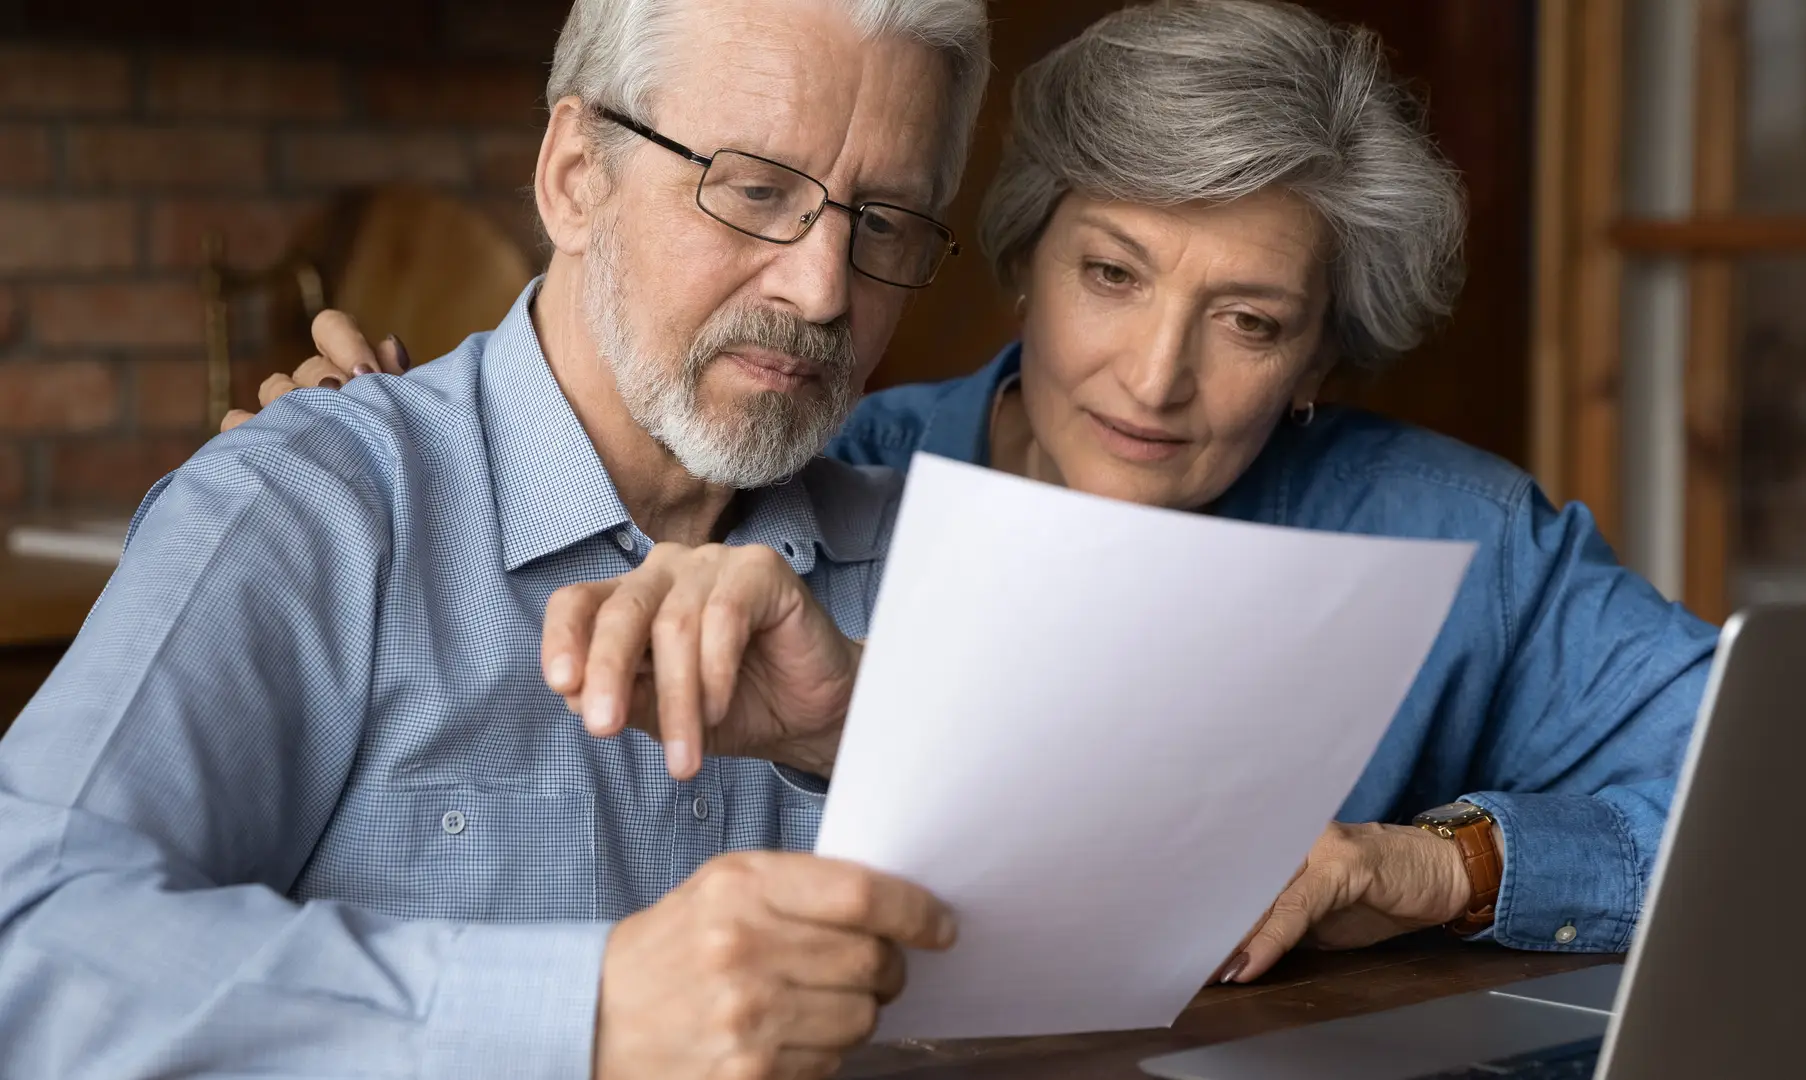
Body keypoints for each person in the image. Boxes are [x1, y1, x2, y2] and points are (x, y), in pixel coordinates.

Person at [251, 0, 1718, 991]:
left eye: (1251, 321)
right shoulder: (817, 478)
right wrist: (411, 455)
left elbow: (1785, 803)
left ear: (1324, 352)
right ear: (1022, 257)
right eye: (1112, 276)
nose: (1154, 379)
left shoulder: (1458, 536)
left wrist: (1431, 865)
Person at [0, 1, 993, 1077]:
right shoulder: (307, 508)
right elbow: (29, 950)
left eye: (885, 220)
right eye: (756, 190)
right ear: (574, 174)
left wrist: (865, 736)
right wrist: (589, 1014)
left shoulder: (937, 563)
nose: (823, 288)